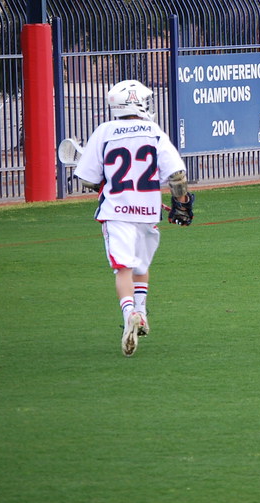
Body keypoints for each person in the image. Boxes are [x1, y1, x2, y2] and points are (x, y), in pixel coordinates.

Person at [75, 79, 195, 357]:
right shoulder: (153, 131)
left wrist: (104, 183)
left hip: (116, 212)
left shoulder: (104, 132)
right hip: (147, 211)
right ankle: (141, 310)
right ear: (136, 103)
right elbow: (176, 176)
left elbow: (86, 178)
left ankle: (130, 312)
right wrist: (182, 202)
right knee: (141, 263)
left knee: (123, 269)